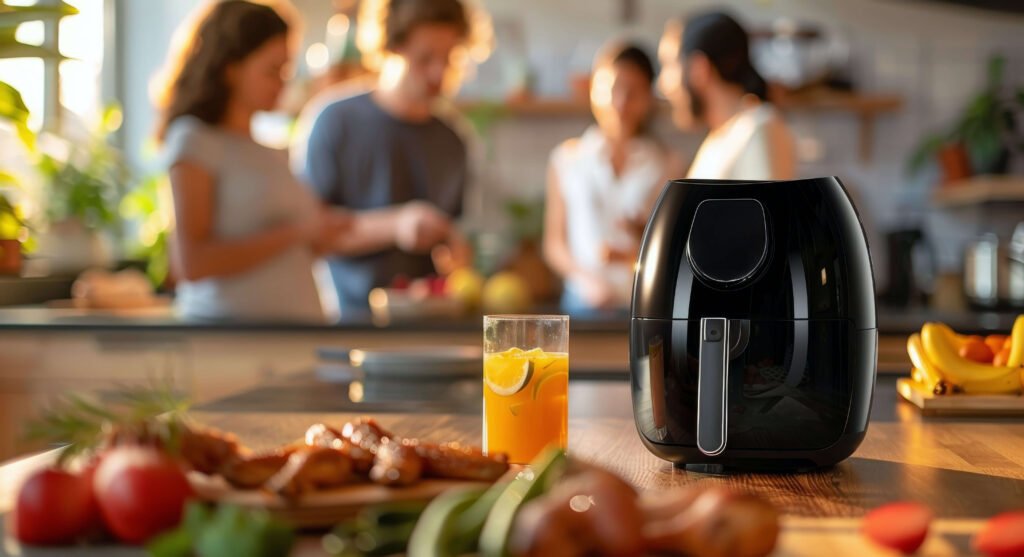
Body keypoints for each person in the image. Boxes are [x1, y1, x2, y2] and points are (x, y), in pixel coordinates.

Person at [155, 1, 348, 322]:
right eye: (272, 71)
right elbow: (191, 263)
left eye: (286, 70)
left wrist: (320, 235)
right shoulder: (195, 139)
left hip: (292, 340)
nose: (283, 82)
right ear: (231, 69)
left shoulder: (270, 151)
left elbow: (297, 244)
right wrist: (296, 233)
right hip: (232, 343)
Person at [301, 0, 477, 312]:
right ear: (392, 47)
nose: (438, 72)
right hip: (349, 321)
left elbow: (455, 241)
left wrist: (456, 249)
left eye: (449, 59)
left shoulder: (453, 141)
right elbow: (310, 234)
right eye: (425, 59)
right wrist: (397, 225)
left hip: (428, 326)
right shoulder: (335, 121)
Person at [543, 42, 683, 313]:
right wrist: (586, 281)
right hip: (582, 301)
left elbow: (668, 247)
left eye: (633, 92)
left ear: (648, 99)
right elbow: (554, 244)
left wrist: (637, 244)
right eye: (612, 88)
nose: (621, 102)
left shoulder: (668, 163)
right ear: (593, 88)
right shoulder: (567, 158)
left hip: (643, 302)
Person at [658, 11, 796, 181]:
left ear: (699, 68)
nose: (662, 85)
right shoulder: (721, 137)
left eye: (669, 65)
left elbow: (766, 207)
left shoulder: (758, 127)